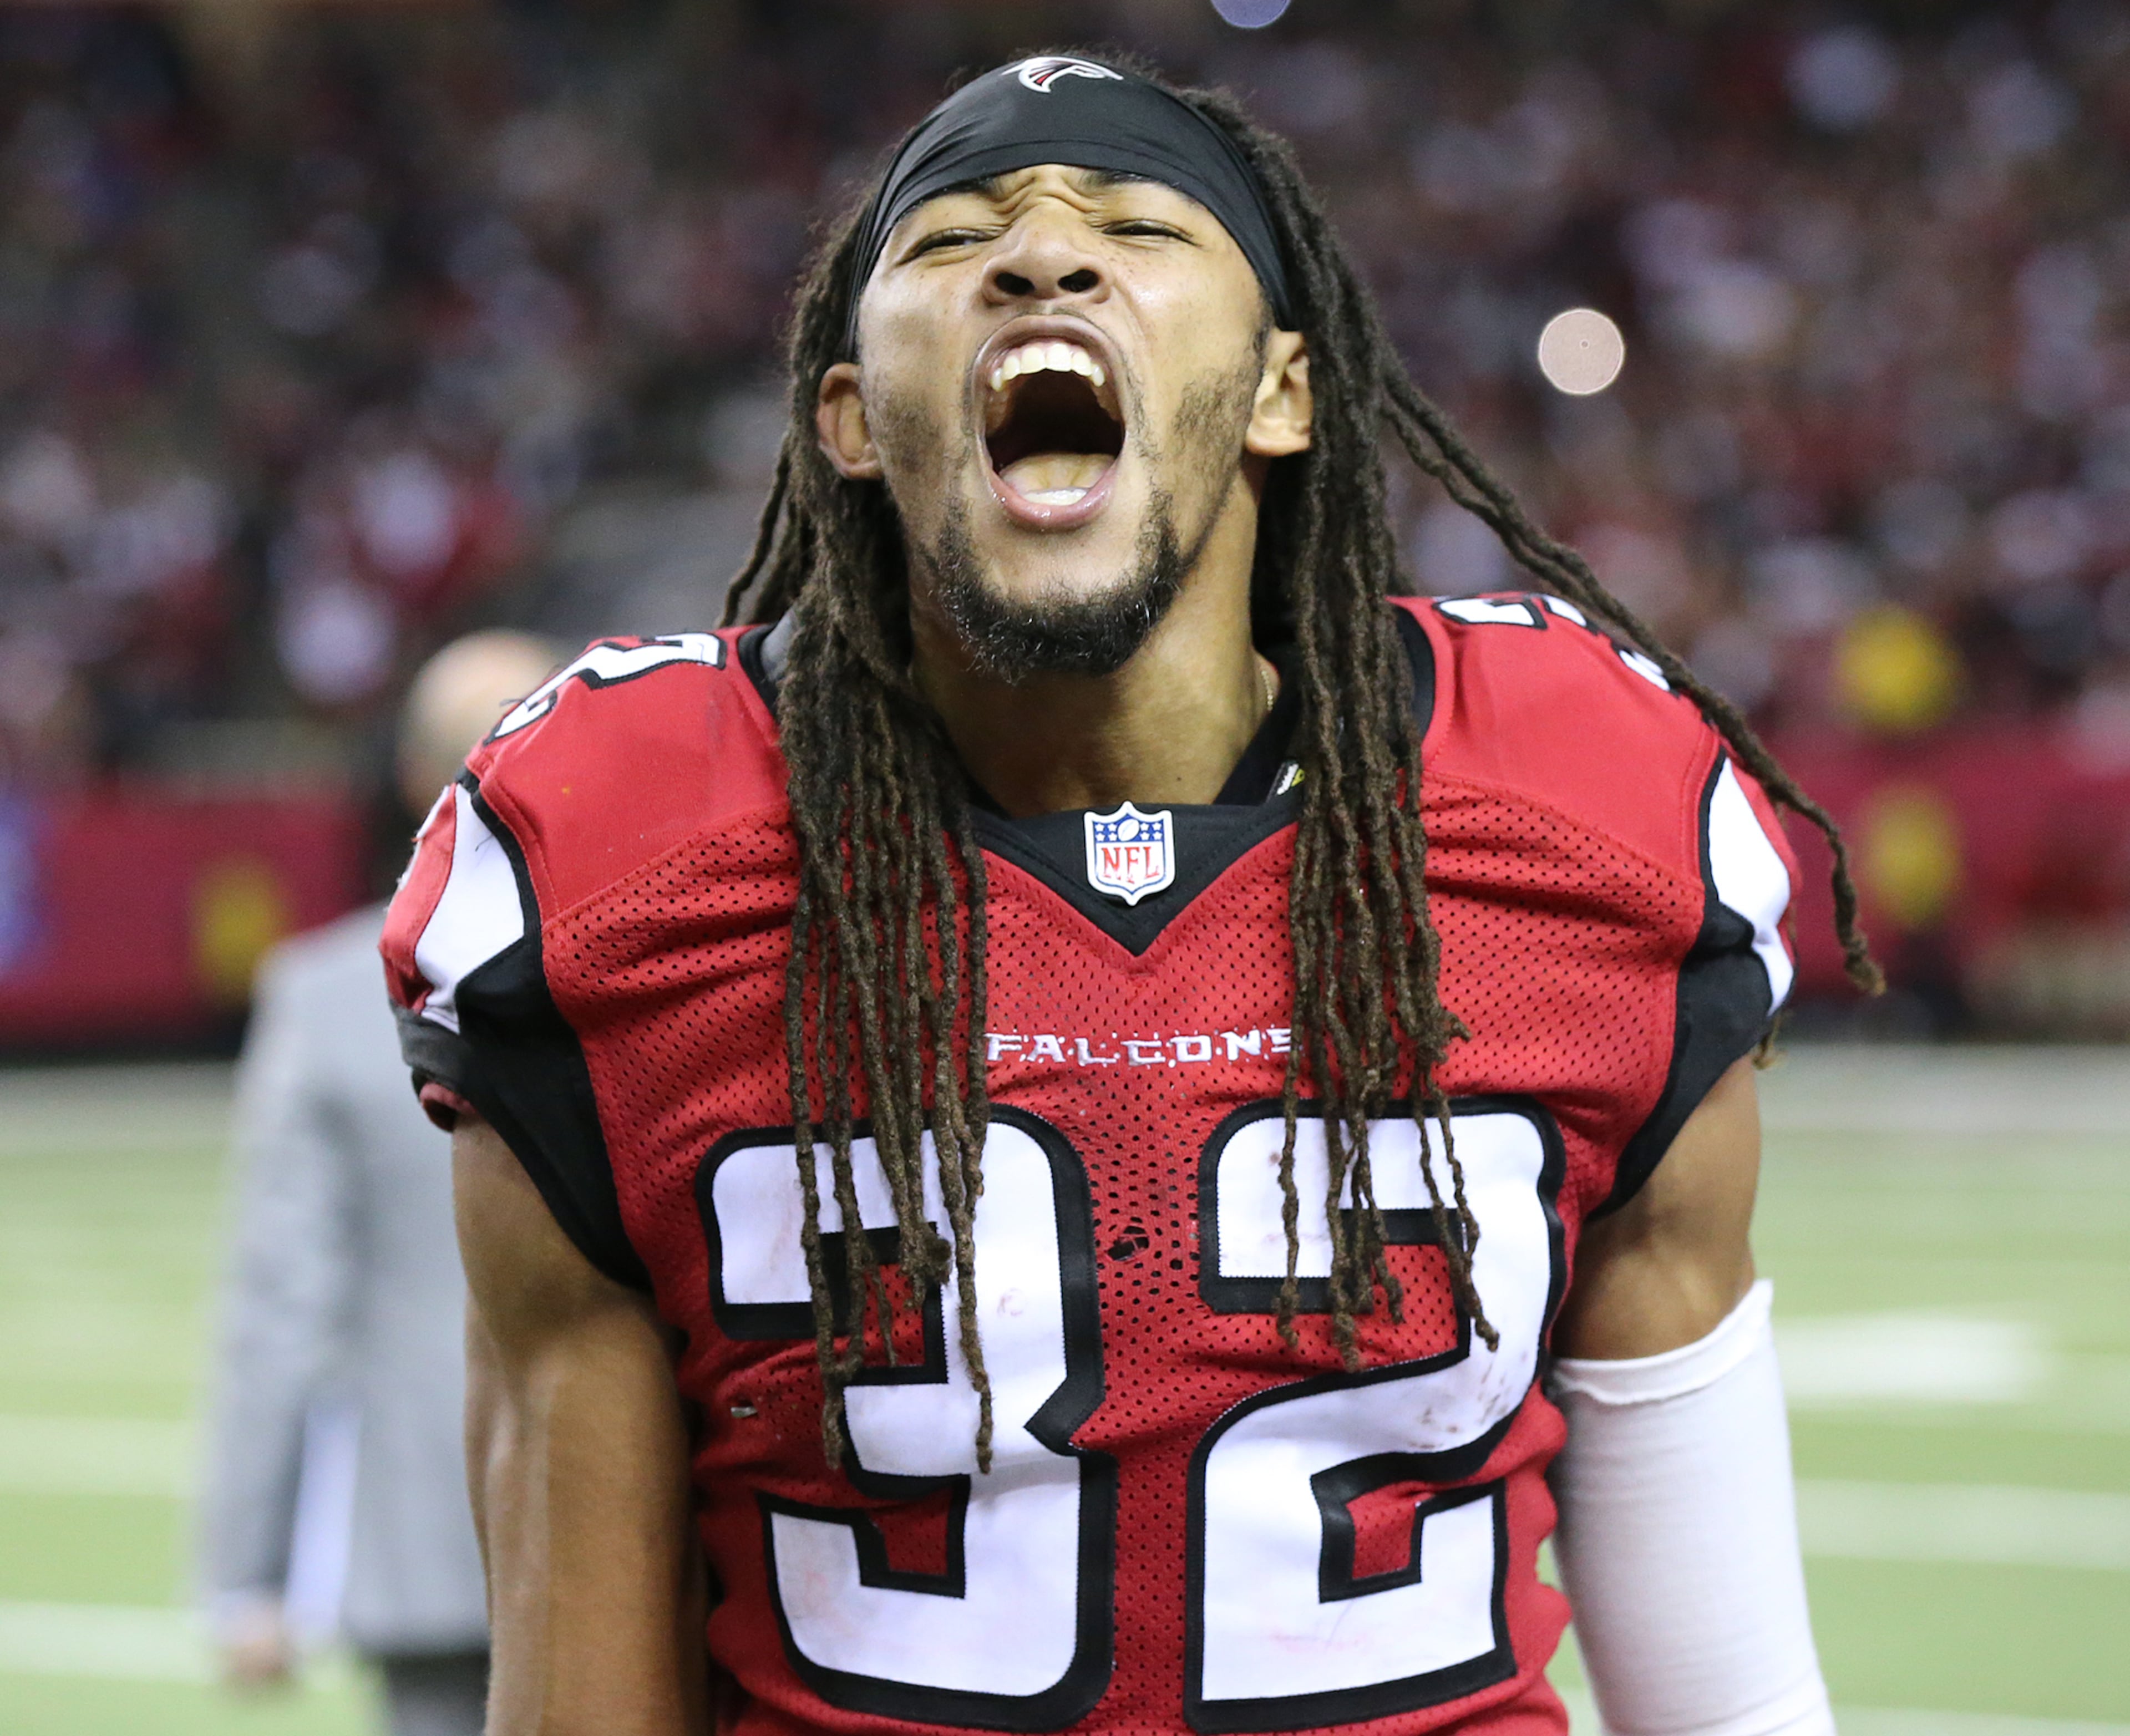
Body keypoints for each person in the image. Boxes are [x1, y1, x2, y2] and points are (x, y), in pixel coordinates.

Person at [381, 55, 1881, 1736]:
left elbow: (1727, 1689)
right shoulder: (620, 854)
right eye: (953, 241)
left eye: (1140, 226)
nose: (1042, 256)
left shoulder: (1584, 809)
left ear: (1281, 392)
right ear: (852, 419)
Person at [201, 631, 560, 1736]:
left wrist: (247, 1571)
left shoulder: (323, 999)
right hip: (648, 1520)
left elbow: (283, 1301)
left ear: (414, 776)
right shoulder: (667, 972)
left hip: (427, 1523)